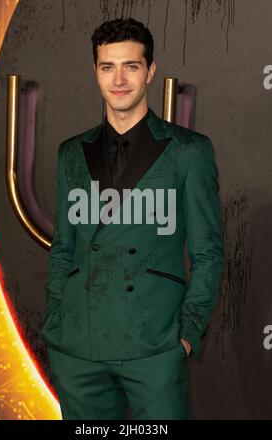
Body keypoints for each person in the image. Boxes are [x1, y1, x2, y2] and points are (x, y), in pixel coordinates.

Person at [41, 17, 224, 420]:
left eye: (131, 66)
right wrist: (56, 319)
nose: (119, 79)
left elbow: (208, 252)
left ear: (150, 71)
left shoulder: (188, 151)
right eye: (108, 67)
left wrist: (186, 335)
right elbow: (64, 247)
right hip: (78, 347)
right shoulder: (71, 153)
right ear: (95, 72)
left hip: (154, 345)